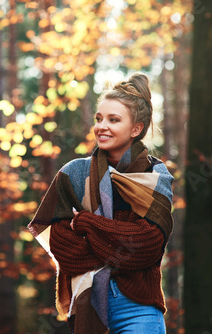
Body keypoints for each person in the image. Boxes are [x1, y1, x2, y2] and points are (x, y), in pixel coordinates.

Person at [28, 73, 174, 334]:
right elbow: (58, 243)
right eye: (99, 118)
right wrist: (116, 246)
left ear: (136, 128)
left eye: (113, 120)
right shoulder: (74, 174)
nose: (101, 126)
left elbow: (147, 245)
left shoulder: (155, 177)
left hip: (139, 308)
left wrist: (86, 223)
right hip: (89, 305)